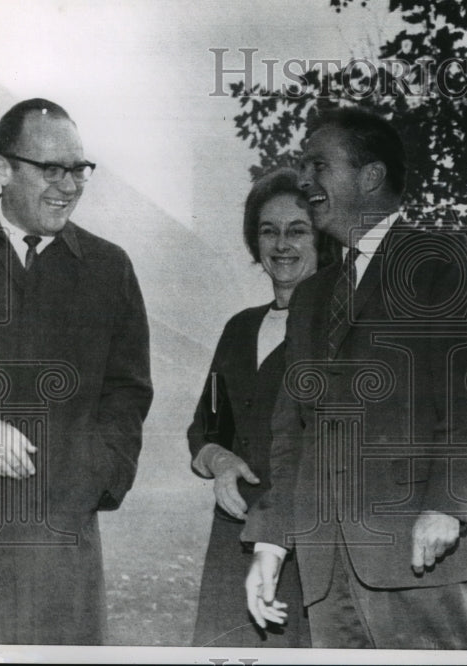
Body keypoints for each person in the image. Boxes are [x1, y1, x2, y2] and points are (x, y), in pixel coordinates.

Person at [243, 107, 467, 649]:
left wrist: (446, 505)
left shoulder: (439, 259)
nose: (303, 180)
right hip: (324, 567)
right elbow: (292, 434)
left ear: (371, 177)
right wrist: (270, 545)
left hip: (414, 551)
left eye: (318, 165)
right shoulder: (312, 296)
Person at [0, 98, 154, 645]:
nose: (69, 186)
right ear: (2, 169)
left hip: (63, 542)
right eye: (51, 169)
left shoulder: (110, 268)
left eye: (78, 169)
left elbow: (127, 392)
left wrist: (96, 477)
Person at [187, 168, 338, 647]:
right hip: (233, 537)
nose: (282, 244)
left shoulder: (339, 332)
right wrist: (220, 461)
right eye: (269, 231)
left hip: (309, 540)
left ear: (322, 240)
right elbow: (207, 426)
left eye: (298, 231)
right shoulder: (239, 329)